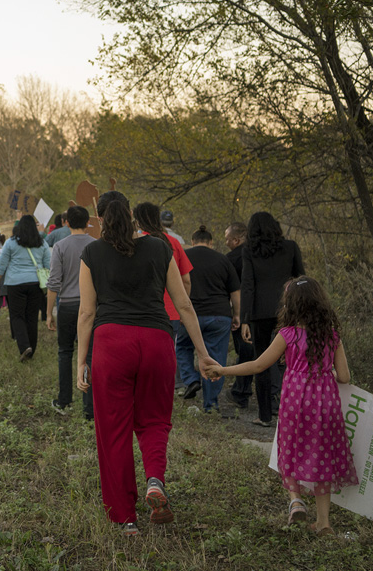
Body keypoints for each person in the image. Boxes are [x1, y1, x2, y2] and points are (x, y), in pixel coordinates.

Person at [77, 192, 217, 535]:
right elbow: (184, 305)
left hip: (111, 345)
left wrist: (81, 360)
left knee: (114, 431)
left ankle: (126, 518)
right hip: (156, 341)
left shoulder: (92, 252)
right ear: (130, 213)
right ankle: (155, 479)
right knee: (155, 419)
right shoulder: (159, 247)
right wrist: (202, 353)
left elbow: (87, 312)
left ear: (99, 218)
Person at [208, 276, 356, 535]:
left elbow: (258, 365)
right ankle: (324, 523)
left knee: (288, 449)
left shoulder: (287, 335)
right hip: (325, 406)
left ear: (291, 306)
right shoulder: (333, 336)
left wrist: (223, 369)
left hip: (295, 403)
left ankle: (295, 499)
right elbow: (344, 377)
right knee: (321, 456)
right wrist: (328, 372)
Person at [242, 211, 305, 426]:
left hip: (259, 313)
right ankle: (292, 412)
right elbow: (301, 279)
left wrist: (245, 319)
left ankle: (265, 416)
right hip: (288, 311)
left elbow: (248, 285)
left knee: (260, 364)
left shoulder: (249, 251)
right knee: (293, 362)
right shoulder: (291, 247)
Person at [132, 203, 193, 394]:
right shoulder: (172, 243)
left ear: (137, 220)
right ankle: (166, 388)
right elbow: (186, 280)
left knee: (142, 353)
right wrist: (182, 305)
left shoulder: (134, 242)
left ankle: (144, 388)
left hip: (141, 308)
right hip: (171, 310)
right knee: (168, 353)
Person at [183, 225, 241, 413]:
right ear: (211, 242)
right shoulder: (223, 260)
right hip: (219, 316)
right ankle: (211, 404)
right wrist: (237, 314)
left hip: (190, 315)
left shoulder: (184, 258)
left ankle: (191, 380)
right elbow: (235, 292)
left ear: (192, 241)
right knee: (216, 359)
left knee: (182, 346)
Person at [46, 205, 95, 418]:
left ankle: (64, 400)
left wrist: (49, 312)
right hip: (91, 307)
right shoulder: (96, 245)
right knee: (91, 355)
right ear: (87, 223)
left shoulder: (59, 246)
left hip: (66, 305)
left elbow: (54, 282)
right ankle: (89, 407)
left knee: (65, 352)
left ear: (66, 223)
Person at [0, 214, 52, 361]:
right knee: (32, 317)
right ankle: (31, 350)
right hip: (35, 284)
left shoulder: (10, 243)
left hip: (15, 284)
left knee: (17, 316)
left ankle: (24, 346)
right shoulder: (42, 243)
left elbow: (1, 265)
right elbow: (49, 265)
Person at [224, 221, 254, 408]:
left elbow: (230, 288)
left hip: (242, 310)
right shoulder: (260, 255)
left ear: (236, 240)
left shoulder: (231, 259)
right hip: (264, 310)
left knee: (244, 350)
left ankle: (241, 392)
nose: (226, 242)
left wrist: (236, 314)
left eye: (227, 239)